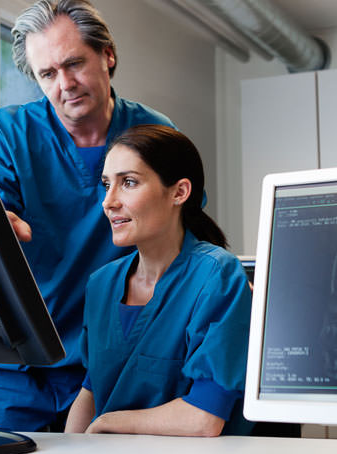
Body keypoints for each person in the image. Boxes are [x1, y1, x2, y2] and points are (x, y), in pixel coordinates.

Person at [0, 0, 176, 432]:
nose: (65, 84)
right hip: (15, 372)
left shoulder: (154, 134)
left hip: (111, 364)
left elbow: (180, 240)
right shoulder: (6, 133)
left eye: (74, 63)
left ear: (107, 55)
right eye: (48, 74)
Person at [64, 125, 253, 436]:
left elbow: (205, 419)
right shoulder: (102, 284)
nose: (108, 202)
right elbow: (92, 390)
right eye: (106, 184)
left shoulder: (216, 276)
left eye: (128, 183)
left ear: (179, 192)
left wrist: (109, 423)